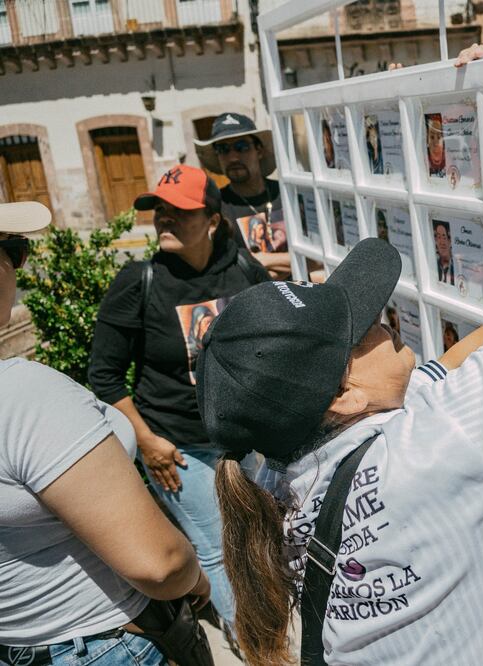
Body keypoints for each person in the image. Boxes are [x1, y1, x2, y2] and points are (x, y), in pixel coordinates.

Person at [195, 22, 483, 665]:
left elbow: (449, 368)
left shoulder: (279, 469)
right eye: (362, 329)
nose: (384, 319)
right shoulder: (442, 449)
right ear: (345, 392)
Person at [0, 201, 211, 665]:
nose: (18, 264)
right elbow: (161, 563)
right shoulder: (24, 394)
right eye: (13, 249)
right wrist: (194, 574)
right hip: (102, 641)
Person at [88, 165, 271, 641]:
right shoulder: (139, 281)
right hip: (176, 446)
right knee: (217, 546)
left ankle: (265, 617)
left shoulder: (242, 268)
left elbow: (270, 339)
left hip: (242, 436)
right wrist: (147, 441)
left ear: (212, 219)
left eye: (179, 212)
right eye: (159, 212)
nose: (165, 221)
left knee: (257, 535)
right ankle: (253, 640)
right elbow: (103, 375)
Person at [194, 112, 292, 280]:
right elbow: (225, 272)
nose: (232, 157)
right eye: (223, 149)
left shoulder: (289, 194)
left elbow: (317, 256)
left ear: (259, 150)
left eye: (241, 147)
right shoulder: (214, 209)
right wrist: (289, 262)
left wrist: (258, 259)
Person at [433, 219, 455, 285]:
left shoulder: (456, 266)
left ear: (449, 240)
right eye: (439, 237)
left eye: (444, 237)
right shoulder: (433, 265)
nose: (442, 242)